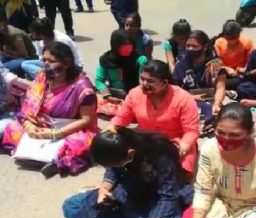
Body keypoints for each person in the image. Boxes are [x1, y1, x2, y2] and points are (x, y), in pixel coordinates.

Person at [62, 128, 182, 218]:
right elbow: (112, 170)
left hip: (155, 204)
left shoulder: (161, 157)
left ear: (130, 154)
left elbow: (168, 198)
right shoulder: (118, 150)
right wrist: (103, 189)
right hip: (127, 195)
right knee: (71, 205)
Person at [2, 42, 97, 177]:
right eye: (44, 60)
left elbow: (87, 120)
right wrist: (28, 125)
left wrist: (55, 133)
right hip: (40, 124)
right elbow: (28, 106)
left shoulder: (83, 87)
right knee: (12, 128)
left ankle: (52, 160)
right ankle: (44, 157)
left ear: (67, 63)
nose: (46, 64)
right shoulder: (42, 78)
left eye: (52, 61)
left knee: (81, 142)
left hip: (67, 129)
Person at [109, 60, 199, 178]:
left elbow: (191, 131)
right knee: (121, 164)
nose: (144, 84)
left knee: (177, 178)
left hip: (175, 143)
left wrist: (181, 148)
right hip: (144, 139)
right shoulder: (134, 94)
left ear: (165, 82)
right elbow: (122, 118)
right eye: (142, 79)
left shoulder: (183, 98)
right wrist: (110, 130)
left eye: (150, 81)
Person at [173, 30, 227, 116]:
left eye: (194, 46)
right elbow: (175, 90)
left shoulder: (215, 65)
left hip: (210, 102)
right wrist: (191, 98)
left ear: (205, 47)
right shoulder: (181, 64)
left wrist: (217, 103)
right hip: (186, 101)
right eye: (188, 46)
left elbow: (221, 87)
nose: (190, 49)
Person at [95, 29, 147, 116]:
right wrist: (108, 96)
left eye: (129, 44)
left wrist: (132, 96)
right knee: (92, 98)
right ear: (115, 45)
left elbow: (143, 82)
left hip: (134, 95)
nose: (127, 46)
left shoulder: (140, 59)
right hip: (114, 96)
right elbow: (99, 80)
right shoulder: (106, 60)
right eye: (124, 44)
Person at [214, 20, 254, 94]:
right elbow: (216, 62)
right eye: (229, 39)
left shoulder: (247, 42)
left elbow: (251, 60)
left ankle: (223, 90)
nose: (232, 41)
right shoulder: (219, 42)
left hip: (241, 74)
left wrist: (244, 69)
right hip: (224, 73)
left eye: (235, 38)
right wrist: (227, 69)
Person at [0, 11, 37, 75]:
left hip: (27, 58)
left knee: (2, 70)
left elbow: (24, 54)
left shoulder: (14, 34)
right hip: (11, 56)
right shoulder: (2, 34)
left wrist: (8, 52)